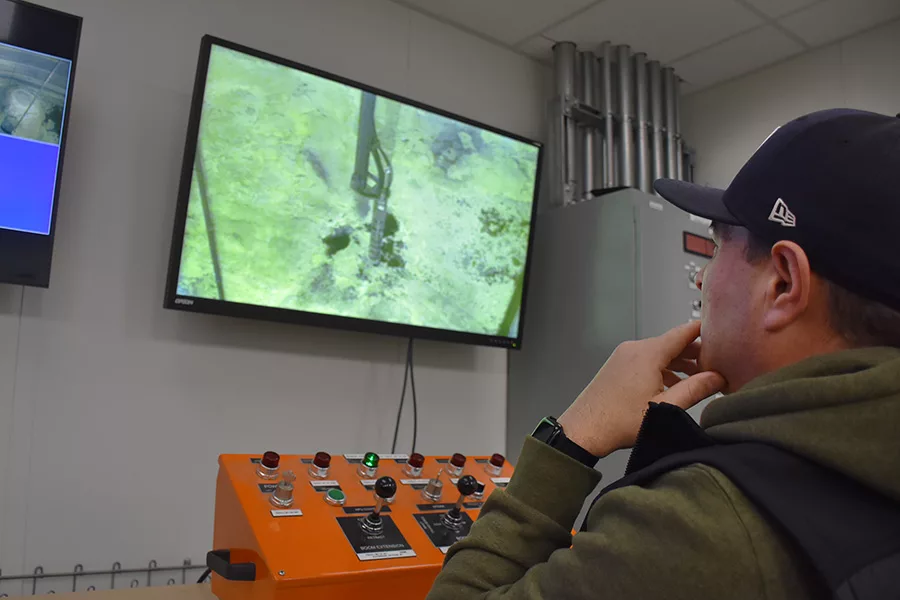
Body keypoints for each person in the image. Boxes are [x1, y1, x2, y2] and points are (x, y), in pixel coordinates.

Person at [425, 109, 900, 599]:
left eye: (716, 250)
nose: (701, 278)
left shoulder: (705, 527)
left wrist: (573, 438)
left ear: (783, 283)